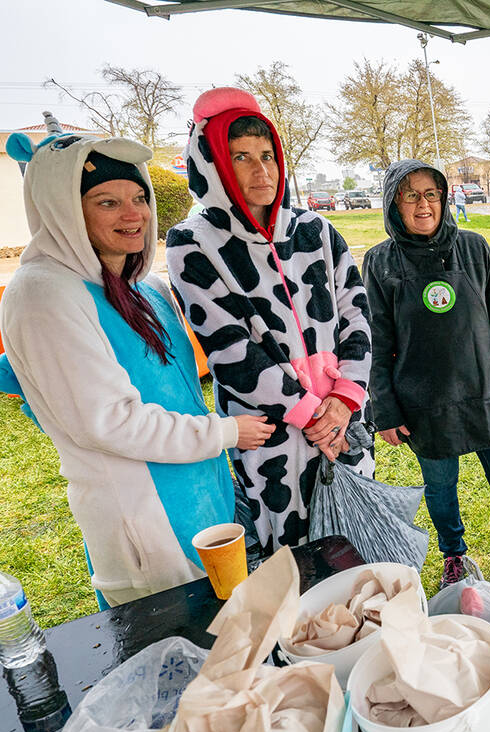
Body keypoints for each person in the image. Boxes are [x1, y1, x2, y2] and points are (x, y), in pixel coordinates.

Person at [0, 132, 273, 608]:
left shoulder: (145, 287)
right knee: (178, 660)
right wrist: (226, 432)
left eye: (139, 197)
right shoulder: (44, 293)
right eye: (107, 202)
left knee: (234, 644)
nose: (134, 215)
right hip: (146, 524)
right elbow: (107, 421)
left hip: (203, 499)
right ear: (64, 209)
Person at [168, 88, 373, 551]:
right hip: (272, 436)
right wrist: (310, 413)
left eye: (267, 155)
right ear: (214, 165)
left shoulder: (314, 230)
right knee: (292, 559)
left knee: (357, 546)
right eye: (241, 157)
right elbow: (229, 349)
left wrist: (344, 400)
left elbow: (356, 314)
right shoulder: (193, 243)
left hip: (342, 423)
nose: (261, 170)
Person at [364, 159, 490, 589]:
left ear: (444, 199)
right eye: (410, 195)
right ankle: (454, 555)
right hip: (423, 405)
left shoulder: (474, 247)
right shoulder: (380, 262)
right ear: (394, 204)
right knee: (440, 488)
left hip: (487, 394)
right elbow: (376, 340)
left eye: (431, 194)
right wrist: (386, 411)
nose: (423, 204)